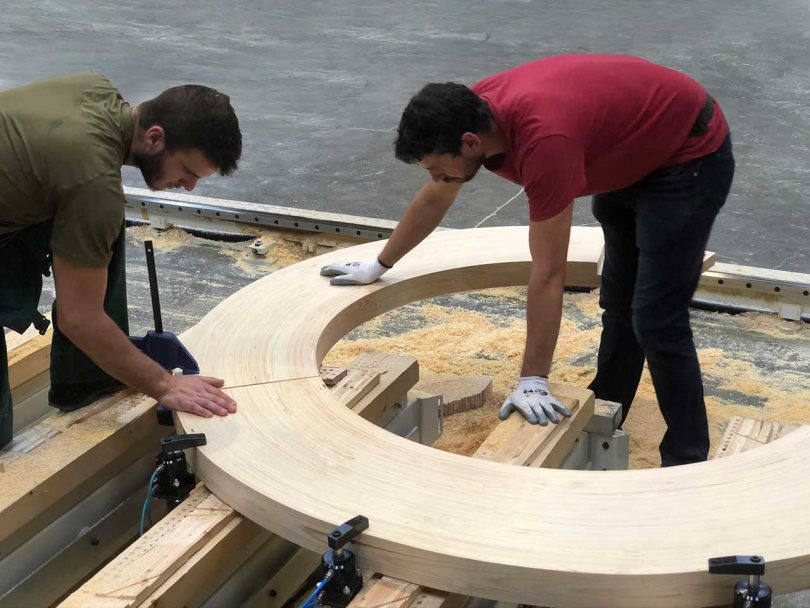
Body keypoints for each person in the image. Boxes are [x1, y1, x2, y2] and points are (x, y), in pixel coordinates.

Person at [320, 54, 734, 467]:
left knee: (657, 318)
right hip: (631, 144)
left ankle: (687, 458)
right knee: (620, 298)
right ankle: (610, 403)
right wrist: (379, 264)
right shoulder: (469, 114)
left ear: (469, 142)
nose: (434, 177)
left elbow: (549, 271)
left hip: (687, 155)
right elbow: (436, 196)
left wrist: (533, 380)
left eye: (435, 167)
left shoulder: (545, 144)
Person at [1, 72, 243, 448]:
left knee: (100, 228)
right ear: (155, 136)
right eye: (188, 171)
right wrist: (163, 383)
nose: (190, 187)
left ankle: (86, 376)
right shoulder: (93, 182)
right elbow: (79, 317)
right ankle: (89, 367)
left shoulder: (95, 89)